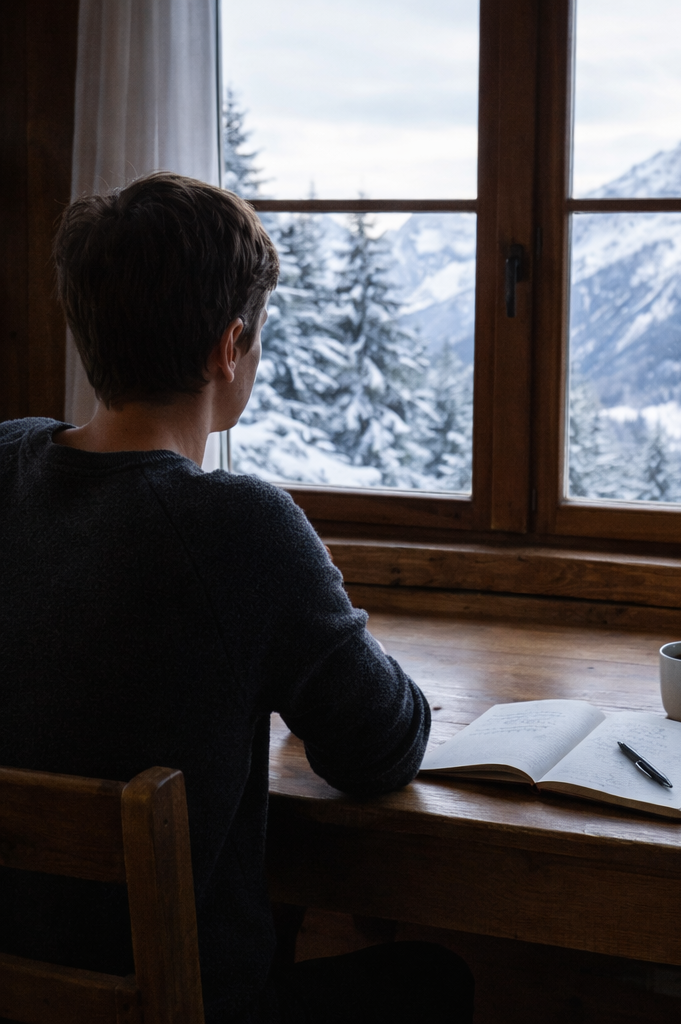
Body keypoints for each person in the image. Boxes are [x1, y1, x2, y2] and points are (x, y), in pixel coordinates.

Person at [0, 172, 473, 1024]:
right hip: (189, 1009)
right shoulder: (241, 528)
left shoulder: (8, 462)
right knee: (438, 979)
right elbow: (381, 750)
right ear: (229, 348)